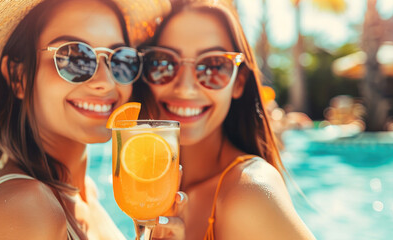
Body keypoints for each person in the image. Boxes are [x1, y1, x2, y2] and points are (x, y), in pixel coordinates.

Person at [0, 0, 185, 239]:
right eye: (75, 58)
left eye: (119, 60)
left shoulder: (84, 193)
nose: (105, 82)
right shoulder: (25, 207)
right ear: (19, 76)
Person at [132, 0, 316, 239]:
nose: (186, 88)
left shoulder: (250, 192)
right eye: (164, 63)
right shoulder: (149, 188)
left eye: (213, 66)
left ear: (238, 82)